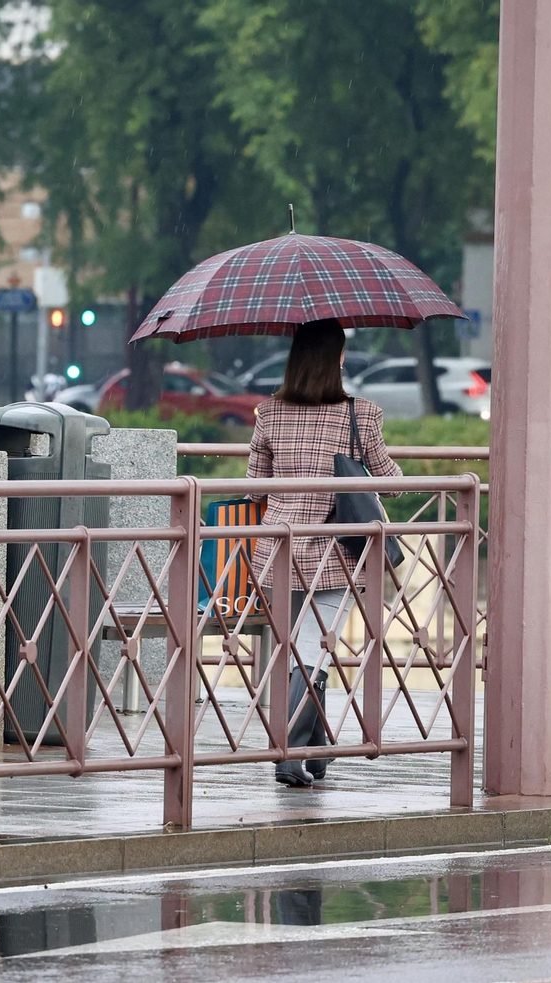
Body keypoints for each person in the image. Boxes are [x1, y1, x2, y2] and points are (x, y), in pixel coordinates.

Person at [244, 319, 402, 788]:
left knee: (299, 647)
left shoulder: (268, 412)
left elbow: (255, 486)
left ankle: (316, 751)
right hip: (336, 549)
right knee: (314, 649)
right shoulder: (361, 413)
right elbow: (390, 483)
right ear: (337, 359)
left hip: (278, 547)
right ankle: (288, 753)